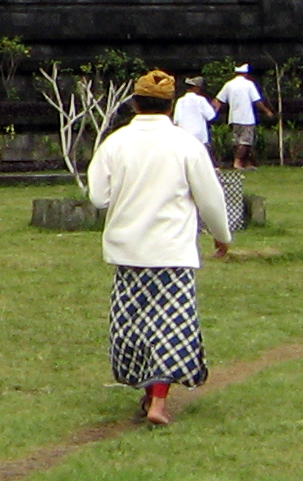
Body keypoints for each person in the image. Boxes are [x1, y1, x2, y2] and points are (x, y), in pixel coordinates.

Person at [86, 69, 233, 428]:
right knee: (170, 325)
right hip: (172, 253)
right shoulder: (186, 145)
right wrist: (221, 235)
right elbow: (211, 198)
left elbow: (98, 196)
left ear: (135, 103)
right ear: (171, 106)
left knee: (135, 326)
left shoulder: (115, 143)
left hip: (128, 252)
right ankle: (158, 401)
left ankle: (150, 393)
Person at [215, 64, 269, 171]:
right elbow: (256, 101)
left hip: (234, 118)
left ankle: (247, 163)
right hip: (246, 118)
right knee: (245, 142)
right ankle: (237, 162)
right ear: (246, 73)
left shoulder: (229, 84)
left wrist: (213, 112)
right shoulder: (249, 84)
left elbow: (219, 100)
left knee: (238, 142)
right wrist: (267, 111)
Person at [171, 77, 218, 156]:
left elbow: (176, 120)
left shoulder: (180, 101)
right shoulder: (201, 100)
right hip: (199, 135)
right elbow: (211, 116)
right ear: (196, 88)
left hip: (184, 134)